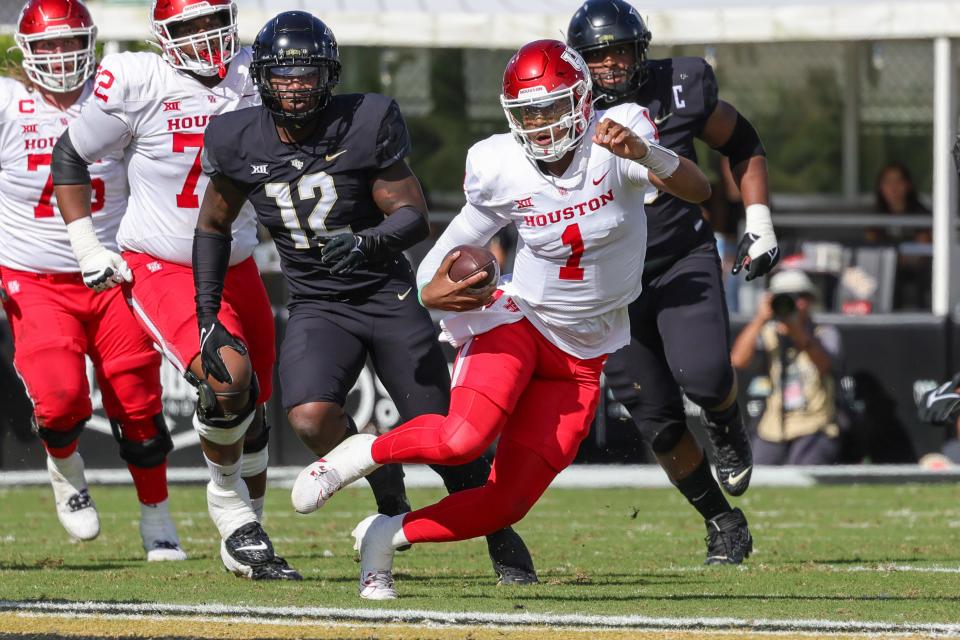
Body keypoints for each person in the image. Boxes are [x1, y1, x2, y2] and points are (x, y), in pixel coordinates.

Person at [290, 39, 712, 599]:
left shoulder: (619, 136)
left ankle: (385, 535)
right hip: (520, 321)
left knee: (504, 503)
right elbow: (434, 271)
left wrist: (645, 154)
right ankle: (360, 453)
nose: (540, 124)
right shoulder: (500, 165)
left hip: (585, 355)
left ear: (583, 101)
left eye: (552, 108)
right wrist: (440, 292)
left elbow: (698, 188)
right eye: (528, 112)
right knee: (462, 439)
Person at [193, 11, 537, 585]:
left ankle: (499, 534)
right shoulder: (237, 137)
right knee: (309, 416)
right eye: (285, 75)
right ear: (263, 79)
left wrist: (367, 240)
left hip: (384, 291)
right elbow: (212, 227)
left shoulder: (364, 120)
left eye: (308, 75)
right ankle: (385, 489)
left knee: (441, 431)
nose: (297, 87)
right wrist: (207, 315)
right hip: (316, 302)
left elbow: (413, 216)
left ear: (328, 76)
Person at [51, 0, 298, 579]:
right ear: (163, 36)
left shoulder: (255, 71)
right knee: (227, 378)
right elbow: (70, 153)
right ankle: (230, 512)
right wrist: (88, 246)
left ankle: (250, 531)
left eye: (213, 22)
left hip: (237, 262)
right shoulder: (140, 80)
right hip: (165, 262)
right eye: (188, 27)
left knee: (255, 405)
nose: (205, 38)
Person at [566, 0, 780, 563]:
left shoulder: (680, 86)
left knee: (706, 376)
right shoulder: (562, 108)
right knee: (658, 421)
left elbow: (742, 141)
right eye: (599, 55)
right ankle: (721, 522)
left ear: (642, 51)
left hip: (678, 257)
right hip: (608, 285)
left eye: (621, 52)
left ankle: (726, 421)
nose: (611, 66)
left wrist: (757, 220)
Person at [0, 0, 183, 560]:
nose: (60, 57)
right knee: (58, 402)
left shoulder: (114, 94)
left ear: (92, 43)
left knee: (137, 400)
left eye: (70, 42)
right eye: (49, 45)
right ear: (26, 52)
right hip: (35, 277)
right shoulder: (8, 103)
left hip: (113, 273)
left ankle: (157, 518)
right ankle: (66, 468)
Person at [730, 270, 843, 465]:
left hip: (815, 425)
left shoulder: (825, 333)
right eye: (786, 298)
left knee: (804, 476)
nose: (794, 304)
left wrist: (795, 329)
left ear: (809, 300)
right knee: (754, 479)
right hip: (772, 427)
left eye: (799, 297)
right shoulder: (768, 333)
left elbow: (825, 365)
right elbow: (738, 360)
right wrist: (759, 319)